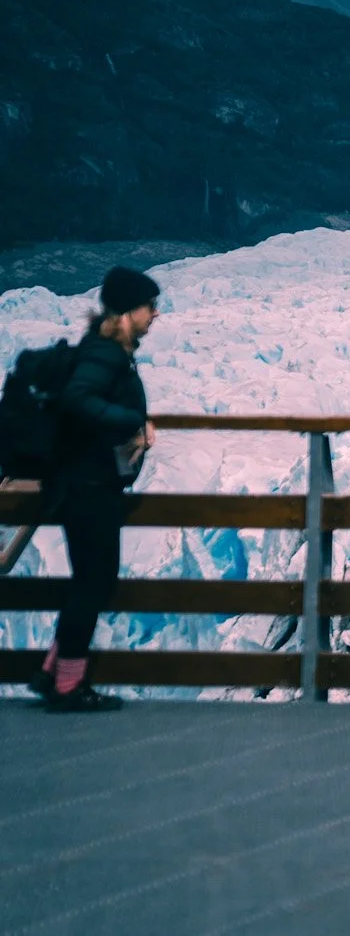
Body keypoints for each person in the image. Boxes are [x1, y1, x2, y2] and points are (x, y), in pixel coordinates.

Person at [33, 266, 159, 713]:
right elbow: (78, 400)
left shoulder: (105, 350)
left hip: (85, 486)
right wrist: (132, 421)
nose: (155, 314)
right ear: (127, 311)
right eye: (149, 306)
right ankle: (68, 686)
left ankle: (53, 673)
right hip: (88, 489)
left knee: (91, 582)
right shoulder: (105, 354)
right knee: (94, 584)